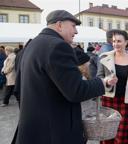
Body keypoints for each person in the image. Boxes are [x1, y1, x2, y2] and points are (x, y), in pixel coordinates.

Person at [12, 10, 117, 144]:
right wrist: (103, 82)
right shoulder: (58, 46)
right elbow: (76, 91)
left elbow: (19, 88)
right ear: (59, 25)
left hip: (34, 127)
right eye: (73, 26)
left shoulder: (32, 44)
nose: (76, 31)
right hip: (54, 130)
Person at [97, 30, 128, 144]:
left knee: (122, 137)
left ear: (126, 42)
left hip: (125, 102)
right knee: (107, 133)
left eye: (119, 41)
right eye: (113, 41)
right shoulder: (104, 57)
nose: (115, 44)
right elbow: (98, 78)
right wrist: (107, 81)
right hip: (108, 101)